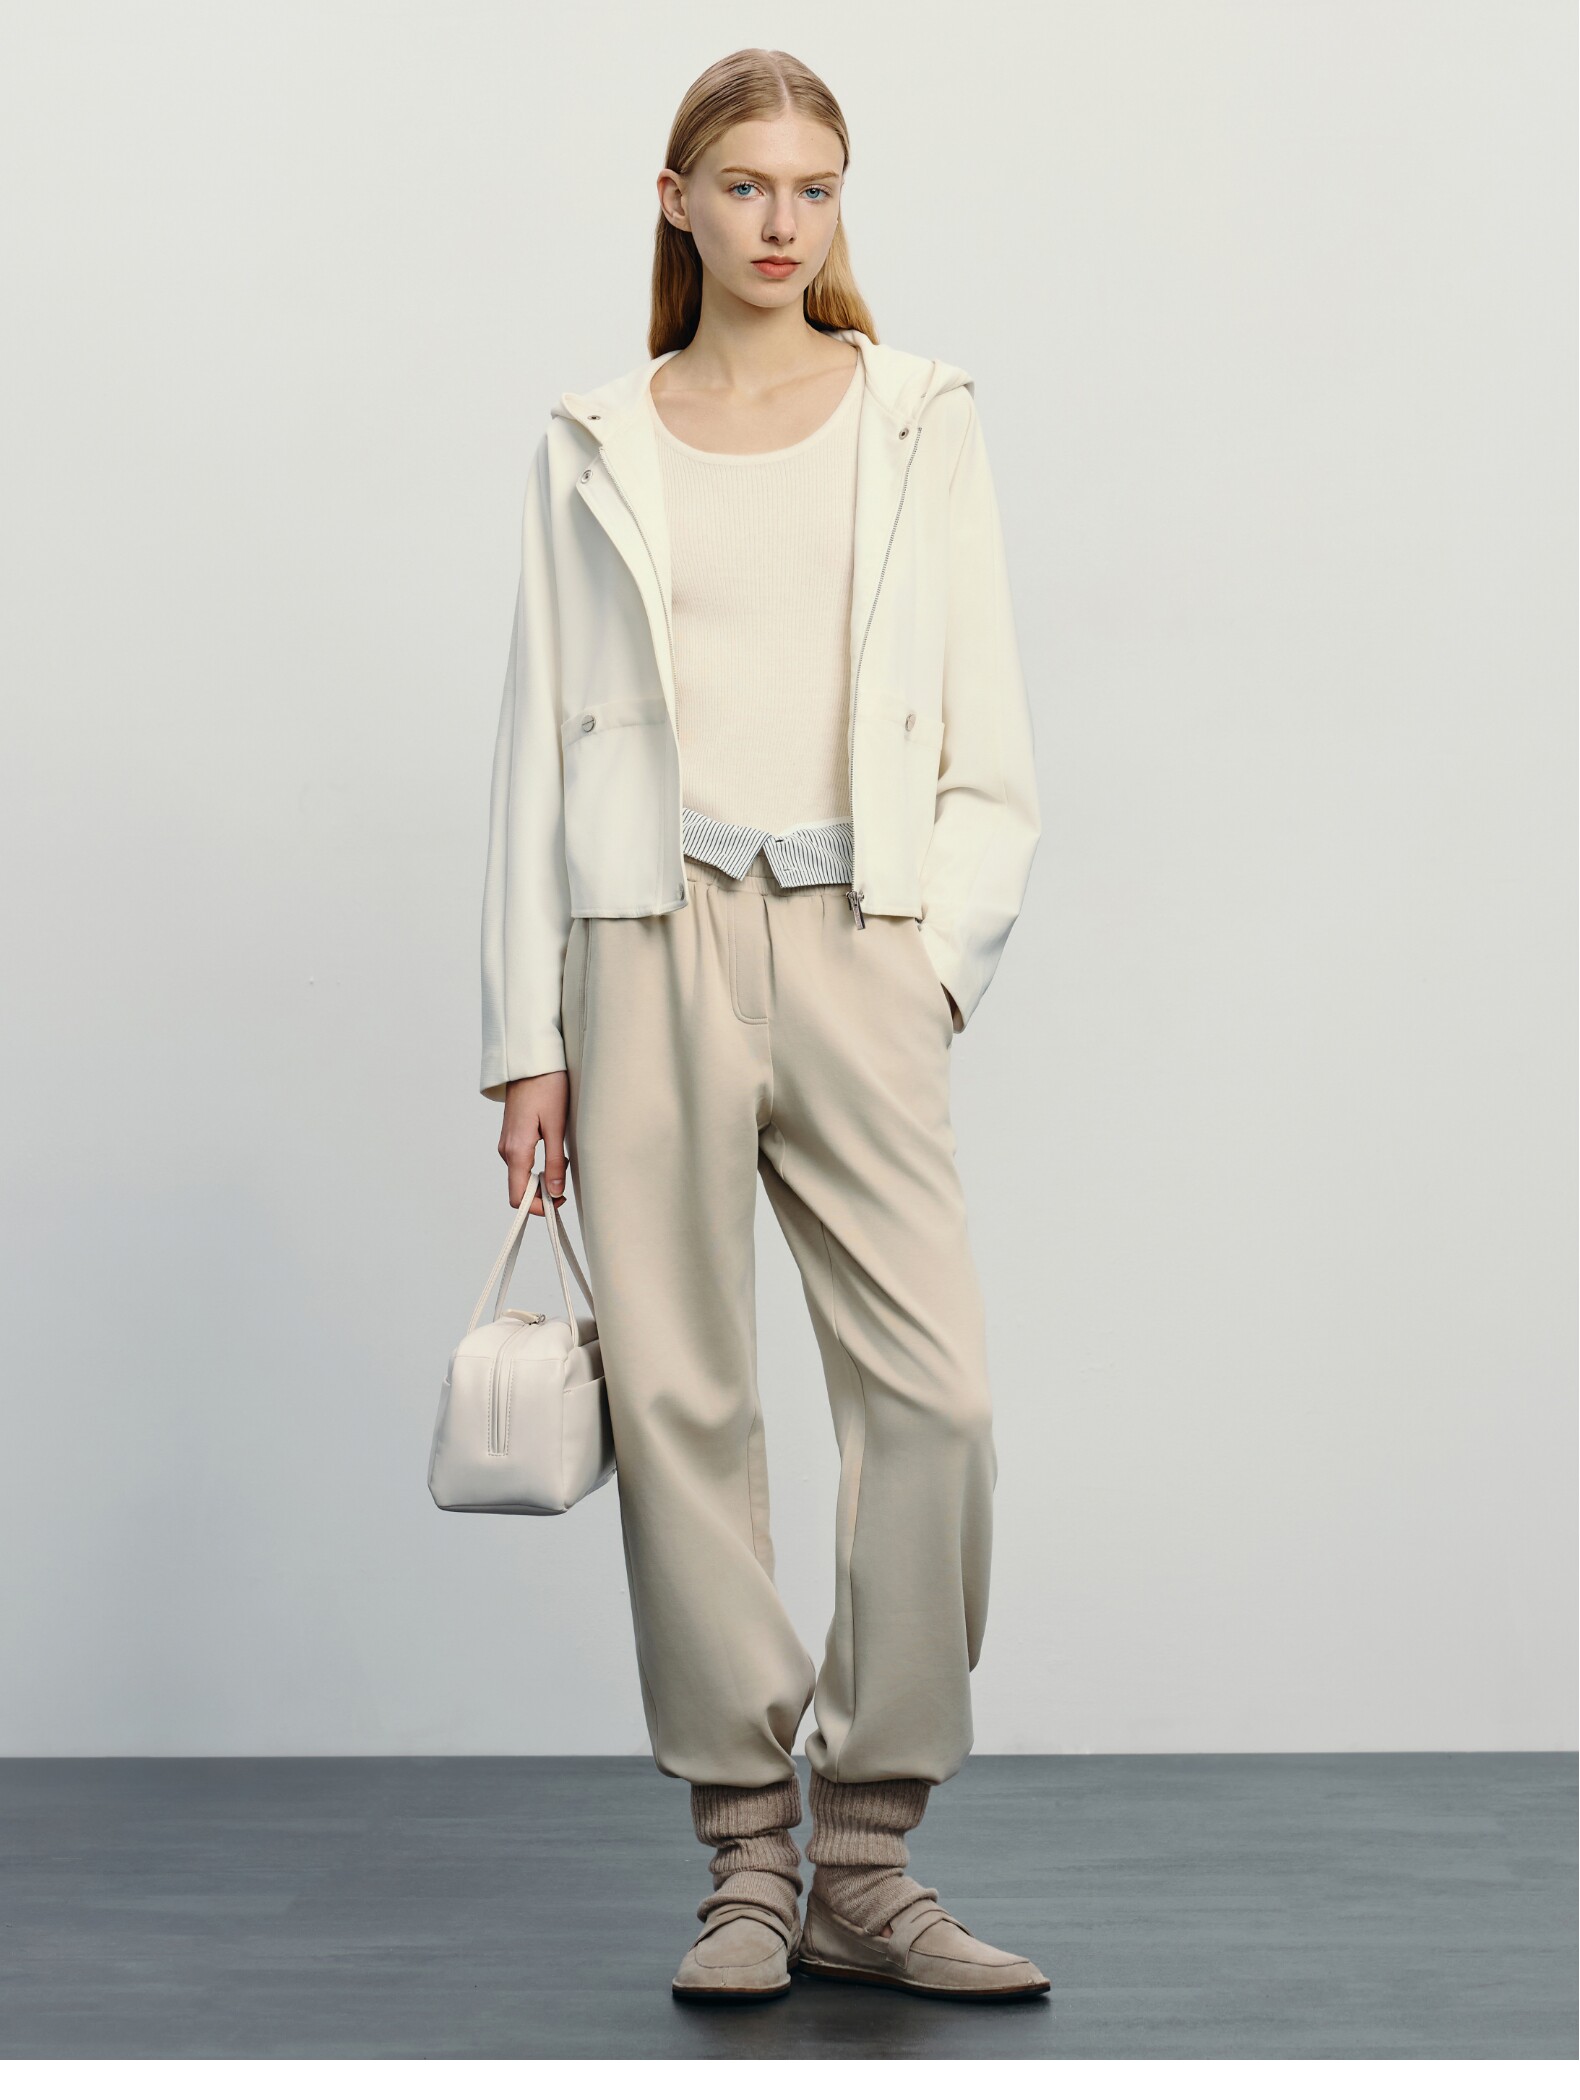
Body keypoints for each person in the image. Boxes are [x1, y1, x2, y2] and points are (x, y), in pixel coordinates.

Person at [479, 46, 1046, 2003]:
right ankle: (745, 1858)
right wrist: (527, 1034)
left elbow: (990, 736)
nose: (782, 220)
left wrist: (933, 962)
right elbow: (534, 750)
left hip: (859, 932)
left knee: (935, 1399)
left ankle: (867, 1858)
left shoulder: (918, 417)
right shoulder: (594, 441)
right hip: (644, 944)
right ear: (678, 203)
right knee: (682, 1400)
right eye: (744, 185)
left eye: (814, 185)